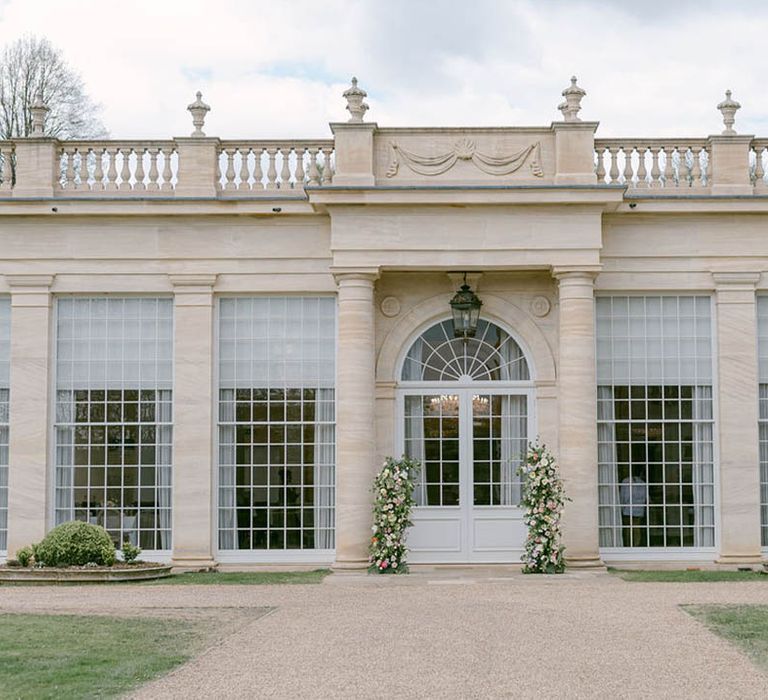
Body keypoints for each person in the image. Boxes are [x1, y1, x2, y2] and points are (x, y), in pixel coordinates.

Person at [620, 469, 648, 546]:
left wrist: (621, 508)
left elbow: (624, 497)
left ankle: (628, 544)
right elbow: (646, 498)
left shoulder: (625, 481)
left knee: (628, 529)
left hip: (628, 509)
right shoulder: (643, 483)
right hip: (639, 509)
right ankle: (636, 545)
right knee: (636, 529)